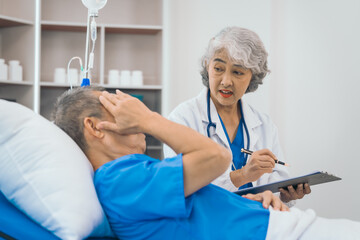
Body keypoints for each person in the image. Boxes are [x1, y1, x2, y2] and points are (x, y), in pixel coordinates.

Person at [52, 86, 360, 240]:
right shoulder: (118, 179)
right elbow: (217, 157)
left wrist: (249, 199)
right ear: (94, 127)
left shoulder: (132, 176)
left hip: (274, 224)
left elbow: (191, 212)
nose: (132, 111)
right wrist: (148, 117)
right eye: (118, 106)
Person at [163, 26, 310, 204]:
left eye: (237, 72)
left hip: (256, 220)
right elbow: (177, 187)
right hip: (208, 224)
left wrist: (285, 196)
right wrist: (241, 175)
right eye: (218, 68)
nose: (226, 81)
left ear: (252, 76)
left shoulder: (264, 125)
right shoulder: (182, 119)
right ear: (207, 66)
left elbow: (275, 184)